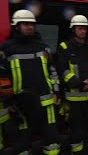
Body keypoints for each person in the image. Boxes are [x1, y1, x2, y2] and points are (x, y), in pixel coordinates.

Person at [0, 9, 61, 154]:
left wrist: (57, 92)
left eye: (32, 24)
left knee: (52, 141)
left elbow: (52, 71)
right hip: (21, 106)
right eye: (25, 24)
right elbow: (2, 78)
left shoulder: (43, 47)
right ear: (16, 26)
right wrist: (9, 102)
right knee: (22, 144)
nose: (30, 27)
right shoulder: (6, 49)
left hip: (46, 103)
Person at [56, 15, 88, 155]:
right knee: (76, 128)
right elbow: (62, 70)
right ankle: (77, 152)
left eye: (85, 28)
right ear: (73, 30)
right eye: (80, 28)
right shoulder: (64, 47)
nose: (83, 31)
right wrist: (78, 83)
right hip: (74, 97)